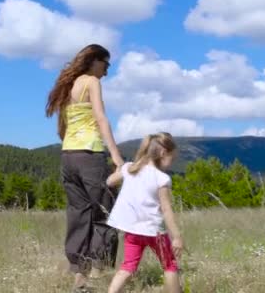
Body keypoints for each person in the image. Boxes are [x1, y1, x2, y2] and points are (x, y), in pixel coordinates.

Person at [45, 44, 125, 292]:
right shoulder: (91, 81)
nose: (107, 71)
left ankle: (79, 276)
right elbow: (101, 118)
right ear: (94, 60)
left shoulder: (67, 86)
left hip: (68, 156)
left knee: (78, 214)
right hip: (90, 153)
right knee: (105, 211)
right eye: (106, 64)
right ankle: (99, 271)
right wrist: (116, 156)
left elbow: (63, 128)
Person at [105, 132, 184, 293]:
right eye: (172, 158)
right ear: (162, 153)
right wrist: (176, 236)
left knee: (128, 267)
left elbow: (109, 181)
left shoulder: (130, 168)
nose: (171, 162)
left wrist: (122, 168)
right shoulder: (162, 178)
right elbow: (166, 210)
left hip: (132, 231)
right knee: (170, 265)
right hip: (155, 232)